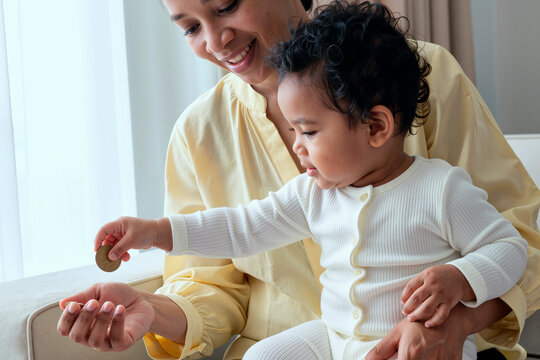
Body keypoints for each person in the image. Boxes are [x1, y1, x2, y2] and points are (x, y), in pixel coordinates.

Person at [56, 0, 540, 359]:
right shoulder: (203, 136)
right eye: (189, 28)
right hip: (323, 340)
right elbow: (234, 238)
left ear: (378, 126)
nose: (215, 40)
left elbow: (517, 242)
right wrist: (153, 275)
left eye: (226, 6)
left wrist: (458, 315)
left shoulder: (425, 103)